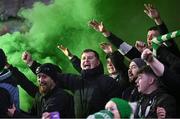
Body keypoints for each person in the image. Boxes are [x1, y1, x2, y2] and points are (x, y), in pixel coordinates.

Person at [23, 49, 123, 118]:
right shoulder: (76, 81)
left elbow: (117, 110)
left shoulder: (108, 82)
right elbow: (50, 74)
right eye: (83, 58)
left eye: (90, 58)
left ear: (98, 62)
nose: (86, 60)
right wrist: (31, 63)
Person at [88, 4, 180, 63]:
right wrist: (105, 32)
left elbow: (165, 34)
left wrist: (157, 19)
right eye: (148, 36)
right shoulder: (145, 56)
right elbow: (125, 47)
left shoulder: (169, 48)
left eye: (152, 36)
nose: (149, 39)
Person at [7, 63, 75, 118]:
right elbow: (25, 83)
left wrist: (16, 115)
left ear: (53, 79)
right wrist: (8, 66)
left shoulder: (60, 97)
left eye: (44, 76)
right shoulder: (41, 94)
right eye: (39, 76)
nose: (40, 80)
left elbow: (45, 117)